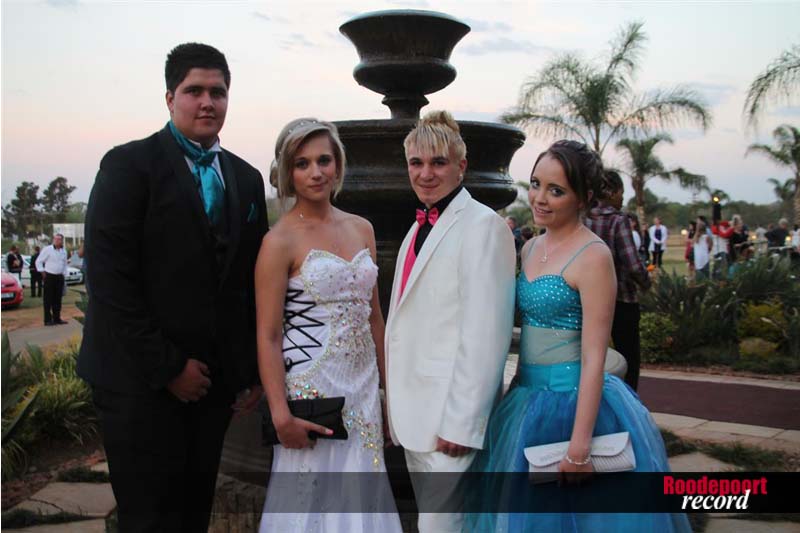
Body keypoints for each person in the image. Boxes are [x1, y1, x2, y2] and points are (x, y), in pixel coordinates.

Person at [77, 43, 268, 533]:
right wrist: (169, 368)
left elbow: (247, 283)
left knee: (192, 516)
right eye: (194, 91)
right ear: (169, 98)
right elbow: (110, 282)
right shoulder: (127, 166)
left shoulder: (245, 179)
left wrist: (247, 370)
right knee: (148, 519)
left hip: (211, 389)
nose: (207, 102)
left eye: (218, 92)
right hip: (138, 385)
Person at [464, 140, 690, 532]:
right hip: (523, 399)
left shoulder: (594, 256)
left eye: (556, 190)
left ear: (583, 198)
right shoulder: (530, 248)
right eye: (536, 184)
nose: (540, 198)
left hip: (574, 406)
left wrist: (580, 444)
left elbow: (594, 357)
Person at [256, 118, 401, 531]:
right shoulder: (278, 241)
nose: (315, 172)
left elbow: (375, 318)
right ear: (288, 172)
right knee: (313, 500)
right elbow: (268, 336)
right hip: (312, 387)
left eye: (324, 160)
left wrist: (390, 395)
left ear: (338, 164)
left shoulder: (362, 228)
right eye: (302, 164)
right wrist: (280, 414)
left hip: (364, 387)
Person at [385, 110, 516, 533]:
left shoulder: (483, 226)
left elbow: (486, 334)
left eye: (438, 163)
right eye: (416, 163)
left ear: (461, 166)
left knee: (442, 526)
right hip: (415, 418)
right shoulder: (415, 230)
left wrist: (463, 423)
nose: (425, 174)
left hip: (450, 420)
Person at [585, 170, 651, 391]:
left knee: (592, 357)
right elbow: (633, 264)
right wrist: (647, 283)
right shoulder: (617, 221)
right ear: (611, 192)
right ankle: (627, 403)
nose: (622, 199)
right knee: (628, 359)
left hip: (588, 300)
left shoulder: (584, 218)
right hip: (621, 299)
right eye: (621, 193)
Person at [36, 235, 69, 325]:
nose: (57, 241)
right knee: (48, 299)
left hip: (59, 276)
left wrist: (64, 274)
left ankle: (57, 318)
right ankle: (47, 319)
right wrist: (42, 271)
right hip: (50, 276)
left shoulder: (64, 251)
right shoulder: (47, 249)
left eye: (59, 239)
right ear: (53, 240)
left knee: (57, 299)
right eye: (56, 239)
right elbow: (38, 261)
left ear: (62, 241)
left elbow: (65, 264)